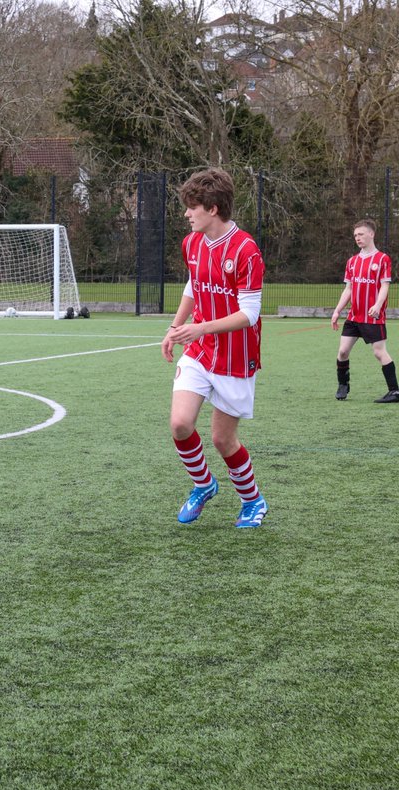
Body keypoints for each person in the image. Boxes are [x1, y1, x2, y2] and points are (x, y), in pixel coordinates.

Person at [162, 167, 268, 529]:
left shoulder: (246, 250)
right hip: (200, 349)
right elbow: (194, 286)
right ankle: (203, 484)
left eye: (192, 207)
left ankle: (253, 501)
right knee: (180, 423)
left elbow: (249, 314)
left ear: (213, 207)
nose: (186, 213)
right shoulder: (191, 243)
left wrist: (199, 327)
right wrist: (176, 328)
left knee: (223, 439)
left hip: (235, 356)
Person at [330, 219, 397, 403]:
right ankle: (343, 385)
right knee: (342, 352)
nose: (357, 238)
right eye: (355, 236)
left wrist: (377, 305)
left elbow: (384, 286)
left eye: (360, 234)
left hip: (373, 316)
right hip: (354, 316)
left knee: (379, 352)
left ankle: (394, 391)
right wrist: (337, 311)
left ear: (371, 234)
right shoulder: (352, 262)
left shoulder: (382, 259)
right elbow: (349, 289)